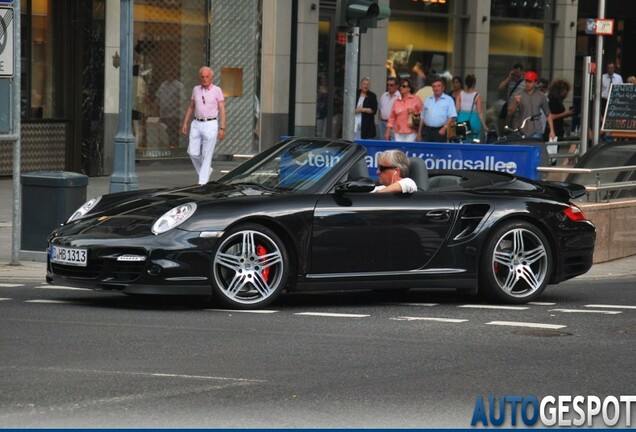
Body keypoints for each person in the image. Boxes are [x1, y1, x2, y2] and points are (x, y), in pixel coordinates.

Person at [182, 66, 226, 185]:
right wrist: (185, 122)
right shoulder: (196, 89)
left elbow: (222, 109)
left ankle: (202, 182)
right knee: (192, 152)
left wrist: (222, 127)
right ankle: (206, 171)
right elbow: (191, 106)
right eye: (202, 76)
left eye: (207, 76)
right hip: (196, 123)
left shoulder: (217, 90)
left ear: (211, 77)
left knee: (207, 154)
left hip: (211, 123)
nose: (204, 79)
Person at [507, 70, 555, 140]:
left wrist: (552, 130)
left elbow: (548, 114)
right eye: (526, 81)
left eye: (530, 81)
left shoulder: (541, 95)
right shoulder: (519, 94)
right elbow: (510, 112)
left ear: (535, 82)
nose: (527, 83)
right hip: (522, 130)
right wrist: (515, 102)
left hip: (536, 130)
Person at [544, 78, 575, 165]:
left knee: (554, 151)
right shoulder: (552, 100)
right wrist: (565, 114)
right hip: (552, 130)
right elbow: (551, 116)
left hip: (558, 128)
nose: (566, 93)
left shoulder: (558, 100)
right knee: (551, 152)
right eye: (565, 91)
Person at [417, 77, 457, 143]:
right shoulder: (428, 99)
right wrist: (419, 132)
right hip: (426, 130)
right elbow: (422, 116)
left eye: (438, 86)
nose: (436, 88)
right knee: (426, 150)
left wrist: (445, 128)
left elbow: (451, 116)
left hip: (440, 131)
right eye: (434, 86)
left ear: (443, 88)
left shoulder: (448, 100)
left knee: (439, 151)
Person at [155, 70, 186, 147]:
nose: (168, 77)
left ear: (173, 75)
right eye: (167, 75)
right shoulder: (163, 85)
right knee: (164, 133)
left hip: (174, 114)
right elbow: (157, 97)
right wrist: (156, 110)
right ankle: (167, 147)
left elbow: (183, 99)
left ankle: (173, 148)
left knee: (173, 133)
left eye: (170, 75)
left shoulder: (179, 85)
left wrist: (175, 106)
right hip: (164, 114)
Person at [455, 74, 488, 142]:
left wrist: (454, 120)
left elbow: (457, 109)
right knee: (474, 140)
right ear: (474, 83)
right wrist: (484, 125)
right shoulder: (477, 96)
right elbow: (479, 111)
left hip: (462, 119)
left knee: (462, 139)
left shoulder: (460, 94)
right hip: (474, 120)